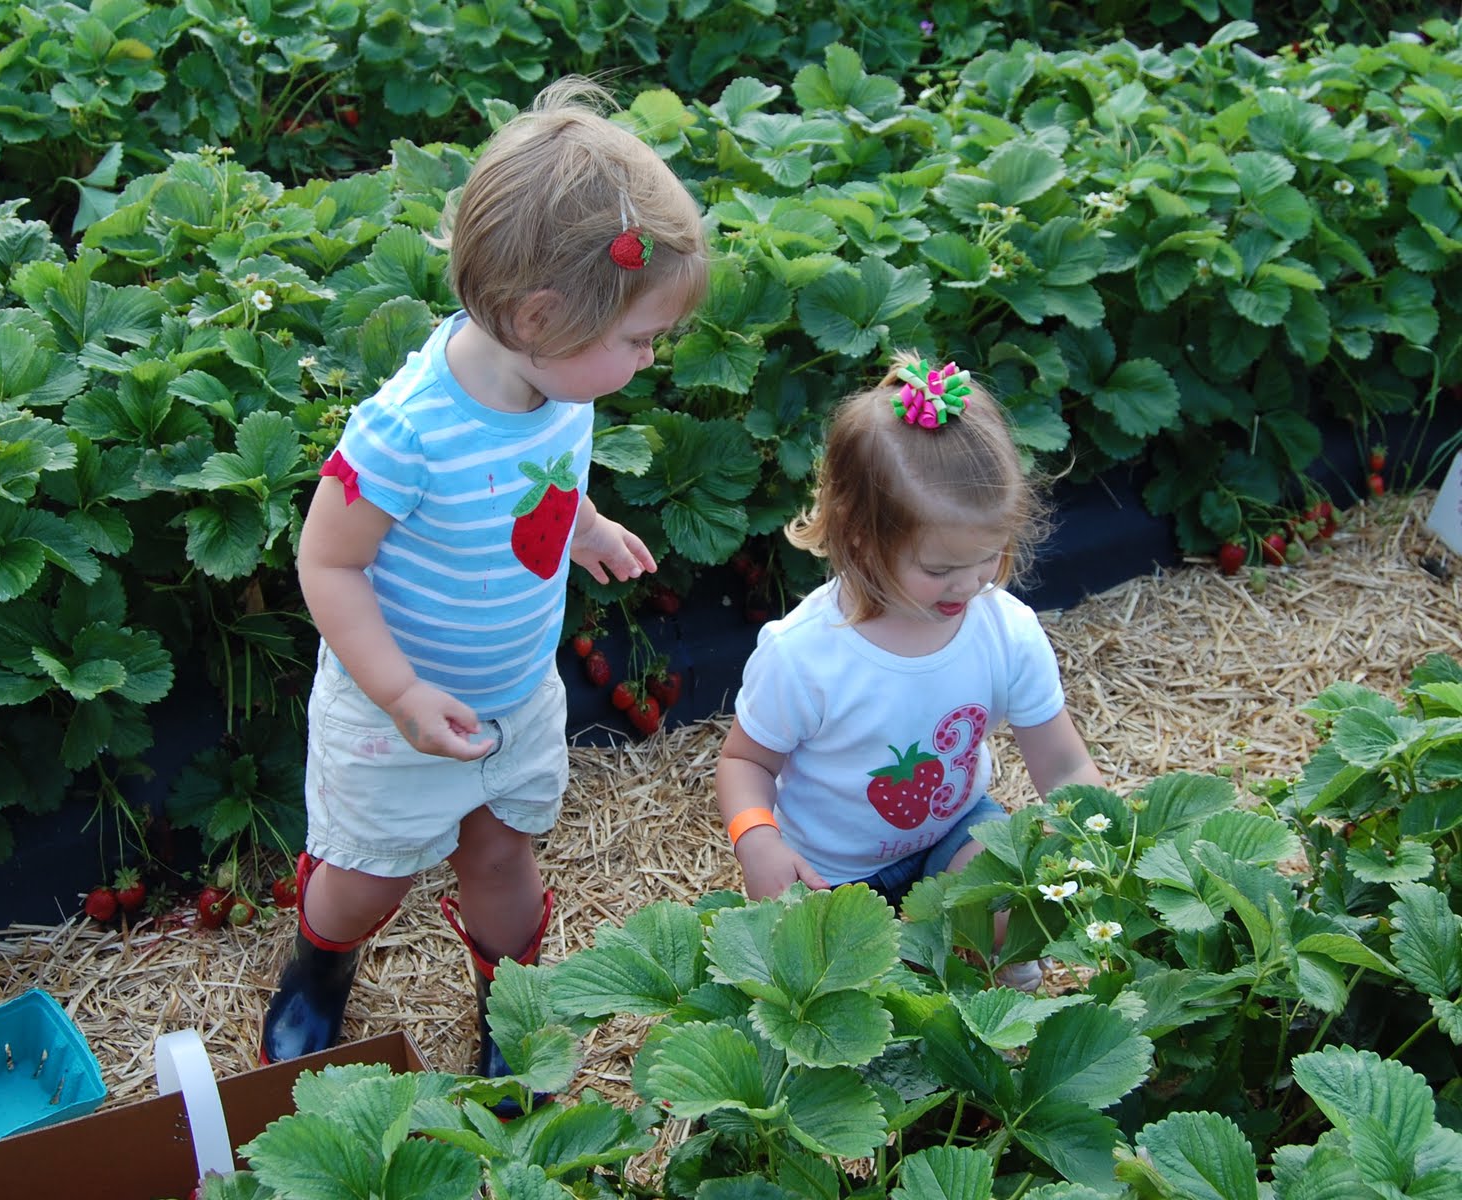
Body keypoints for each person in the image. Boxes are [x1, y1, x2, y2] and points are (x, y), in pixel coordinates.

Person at [262, 76, 709, 1093]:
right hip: (396, 712)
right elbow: (325, 561)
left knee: (503, 855)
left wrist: (582, 524)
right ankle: (318, 964)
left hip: (513, 693)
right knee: (366, 881)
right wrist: (402, 694)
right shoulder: (404, 430)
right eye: (638, 340)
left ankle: (509, 1004)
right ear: (539, 315)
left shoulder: (556, 381)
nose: (647, 360)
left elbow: (540, 477)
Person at [714, 355, 1104, 987]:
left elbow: (1062, 765)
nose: (971, 582)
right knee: (829, 992)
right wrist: (756, 836)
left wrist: (1089, 839)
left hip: (956, 831)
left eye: (987, 557)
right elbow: (745, 763)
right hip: (831, 873)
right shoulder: (806, 655)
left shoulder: (1004, 631)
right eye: (940, 568)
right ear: (862, 537)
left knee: (1009, 903)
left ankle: (994, 989)